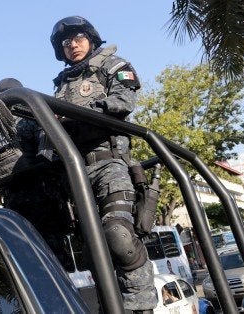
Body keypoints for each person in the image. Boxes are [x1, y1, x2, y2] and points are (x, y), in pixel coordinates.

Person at [50, 16, 156, 312]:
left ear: (91, 39)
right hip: (74, 173)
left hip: (109, 163)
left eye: (78, 37)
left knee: (119, 236)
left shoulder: (113, 65)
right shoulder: (60, 85)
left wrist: (79, 112)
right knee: (93, 249)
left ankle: (140, 307)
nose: (72, 44)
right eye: (66, 42)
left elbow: (123, 101)